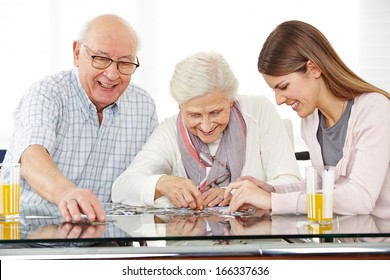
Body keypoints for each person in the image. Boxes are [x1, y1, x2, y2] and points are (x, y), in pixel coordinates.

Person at [225, 20, 390, 219]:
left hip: (381, 241)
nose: (278, 100)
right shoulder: (311, 119)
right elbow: (320, 187)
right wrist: (272, 191)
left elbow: (360, 198)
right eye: (274, 90)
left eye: (283, 87)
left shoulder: (374, 109)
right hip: (350, 239)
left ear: (313, 69)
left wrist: (272, 202)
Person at [3, 14, 159, 223]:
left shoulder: (143, 106)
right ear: (77, 53)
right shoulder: (47, 93)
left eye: (124, 63)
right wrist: (66, 194)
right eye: (101, 59)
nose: (112, 74)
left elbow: (147, 174)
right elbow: (31, 157)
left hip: (105, 242)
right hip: (30, 236)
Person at [112, 51, 301, 209]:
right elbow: (121, 188)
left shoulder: (258, 110)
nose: (206, 126)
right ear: (180, 107)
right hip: (191, 247)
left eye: (216, 112)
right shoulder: (169, 130)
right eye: (194, 115)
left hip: (254, 241)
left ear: (231, 100)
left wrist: (237, 193)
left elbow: (291, 184)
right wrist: (161, 183)